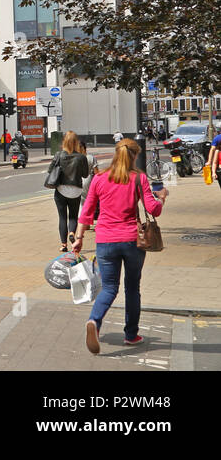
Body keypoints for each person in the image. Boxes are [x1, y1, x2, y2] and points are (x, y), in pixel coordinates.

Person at [72, 139, 166, 353]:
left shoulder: (99, 178)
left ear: (116, 153)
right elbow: (154, 209)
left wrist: (79, 238)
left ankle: (94, 322)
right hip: (133, 240)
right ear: (134, 156)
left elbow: (86, 211)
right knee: (132, 287)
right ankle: (131, 335)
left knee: (109, 288)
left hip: (105, 241)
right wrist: (161, 198)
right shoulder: (138, 178)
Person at [52, 131, 91, 252]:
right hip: (76, 190)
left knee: (62, 217)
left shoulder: (59, 155)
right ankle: (72, 233)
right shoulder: (81, 157)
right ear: (76, 143)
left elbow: (50, 170)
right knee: (73, 216)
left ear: (64, 142)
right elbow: (85, 175)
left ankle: (63, 245)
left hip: (61, 189)